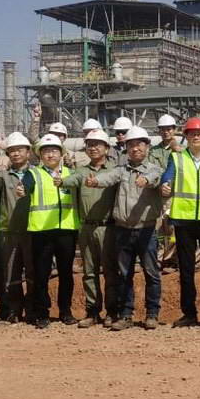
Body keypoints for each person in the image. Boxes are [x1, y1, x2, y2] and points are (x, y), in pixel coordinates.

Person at [82, 126, 165, 330]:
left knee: (151, 273)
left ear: (147, 146)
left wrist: (145, 180)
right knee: (124, 274)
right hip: (123, 230)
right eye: (131, 145)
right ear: (126, 148)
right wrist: (95, 181)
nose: (135, 148)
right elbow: (109, 177)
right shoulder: (122, 170)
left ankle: (152, 314)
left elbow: (154, 178)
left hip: (146, 230)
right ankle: (126, 315)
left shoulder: (154, 168)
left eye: (139, 144)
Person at [159, 117, 200, 327]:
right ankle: (189, 313)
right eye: (191, 134)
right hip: (184, 221)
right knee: (186, 270)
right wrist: (165, 185)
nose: (196, 137)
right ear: (186, 137)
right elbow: (167, 177)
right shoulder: (177, 158)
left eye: (199, 134)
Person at [18, 133, 80, 328]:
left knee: (66, 273)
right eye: (46, 151)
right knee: (41, 274)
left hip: (67, 230)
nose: (50, 155)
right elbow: (25, 186)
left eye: (54, 151)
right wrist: (22, 190)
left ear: (61, 154)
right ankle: (42, 313)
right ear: (40, 155)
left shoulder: (71, 174)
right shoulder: (34, 174)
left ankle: (65, 311)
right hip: (42, 231)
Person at [59, 129, 117, 327]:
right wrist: (60, 181)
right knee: (89, 273)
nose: (93, 148)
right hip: (86, 228)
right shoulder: (81, 172)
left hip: (108, 228)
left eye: (97, 144)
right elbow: (69, 181)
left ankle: (112, 312)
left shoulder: (114, 171)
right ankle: (93, 312)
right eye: (90, 145)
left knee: (110, 272)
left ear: (107, 148)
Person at [0, 132, 34, 324]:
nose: (16, 154)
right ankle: (14, 310)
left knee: (32, 273)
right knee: (11, 273)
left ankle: (33, 310)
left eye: (19, 150)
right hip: (8, 231)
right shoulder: (4, 176)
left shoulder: (37, 174)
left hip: (32, 230)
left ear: (28, 152)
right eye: (12, 151)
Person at [150, 114, 182, 274]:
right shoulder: (153, 151)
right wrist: (159, 186)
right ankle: (159, 259)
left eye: (169, 129)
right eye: (163, 129)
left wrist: (178, 151)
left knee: (172, 229)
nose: (166, 132)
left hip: (176, 195)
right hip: (158, 196)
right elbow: (151, 171)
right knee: (159, 229)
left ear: (174, 130)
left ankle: (171, 260)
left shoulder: (183, 149)